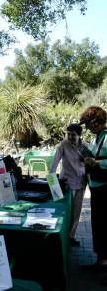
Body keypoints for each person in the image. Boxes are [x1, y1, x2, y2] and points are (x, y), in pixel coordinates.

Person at [49, 123, 88, 246]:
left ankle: (71, 236)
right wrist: (52, 183)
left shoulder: (85, 146)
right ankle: (61, 236)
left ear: (79, 135)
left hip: (81, 182)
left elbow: (91, 163)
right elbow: (54, 163)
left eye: (73, 135)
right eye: (68, 134)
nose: (70, 137)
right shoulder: (63, 145)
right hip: (67, 183)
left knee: (77, 211)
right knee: (65, 211)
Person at [79, 106, 107, 271]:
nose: (86, 127)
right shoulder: (97, 138)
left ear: (95, 120)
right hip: (96, 187)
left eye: (86, 123)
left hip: (105, 189)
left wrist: (97, 163)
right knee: (98, 226)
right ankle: (100, 261)